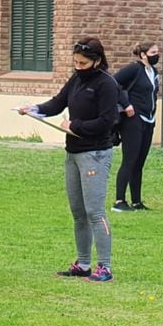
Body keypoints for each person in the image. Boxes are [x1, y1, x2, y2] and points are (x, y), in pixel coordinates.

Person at [17, 36, 119, 282]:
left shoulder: (107, 84)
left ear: (97, 61)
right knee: (78, 212)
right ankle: (83, 263)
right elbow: (58, 103)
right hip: (73, 152)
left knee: (95, 211)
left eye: (83, 63)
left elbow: (107, 121)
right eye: (75, 62)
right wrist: (36, 109)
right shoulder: (76, 79)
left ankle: (104, 267)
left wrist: (77, 125)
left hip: (95, 153)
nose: (78, 67)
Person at [112, 42, 160, 212]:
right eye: (153, 52)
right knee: (129, 160)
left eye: (157, 52)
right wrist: (126, 104)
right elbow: (113, 83)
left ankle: (136, 201)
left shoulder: (153, 72)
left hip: (149, 120)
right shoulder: (134, 69)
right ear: (143, 55)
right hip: (133, 120)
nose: (157, 55)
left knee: (139, 162)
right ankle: (119, 201)